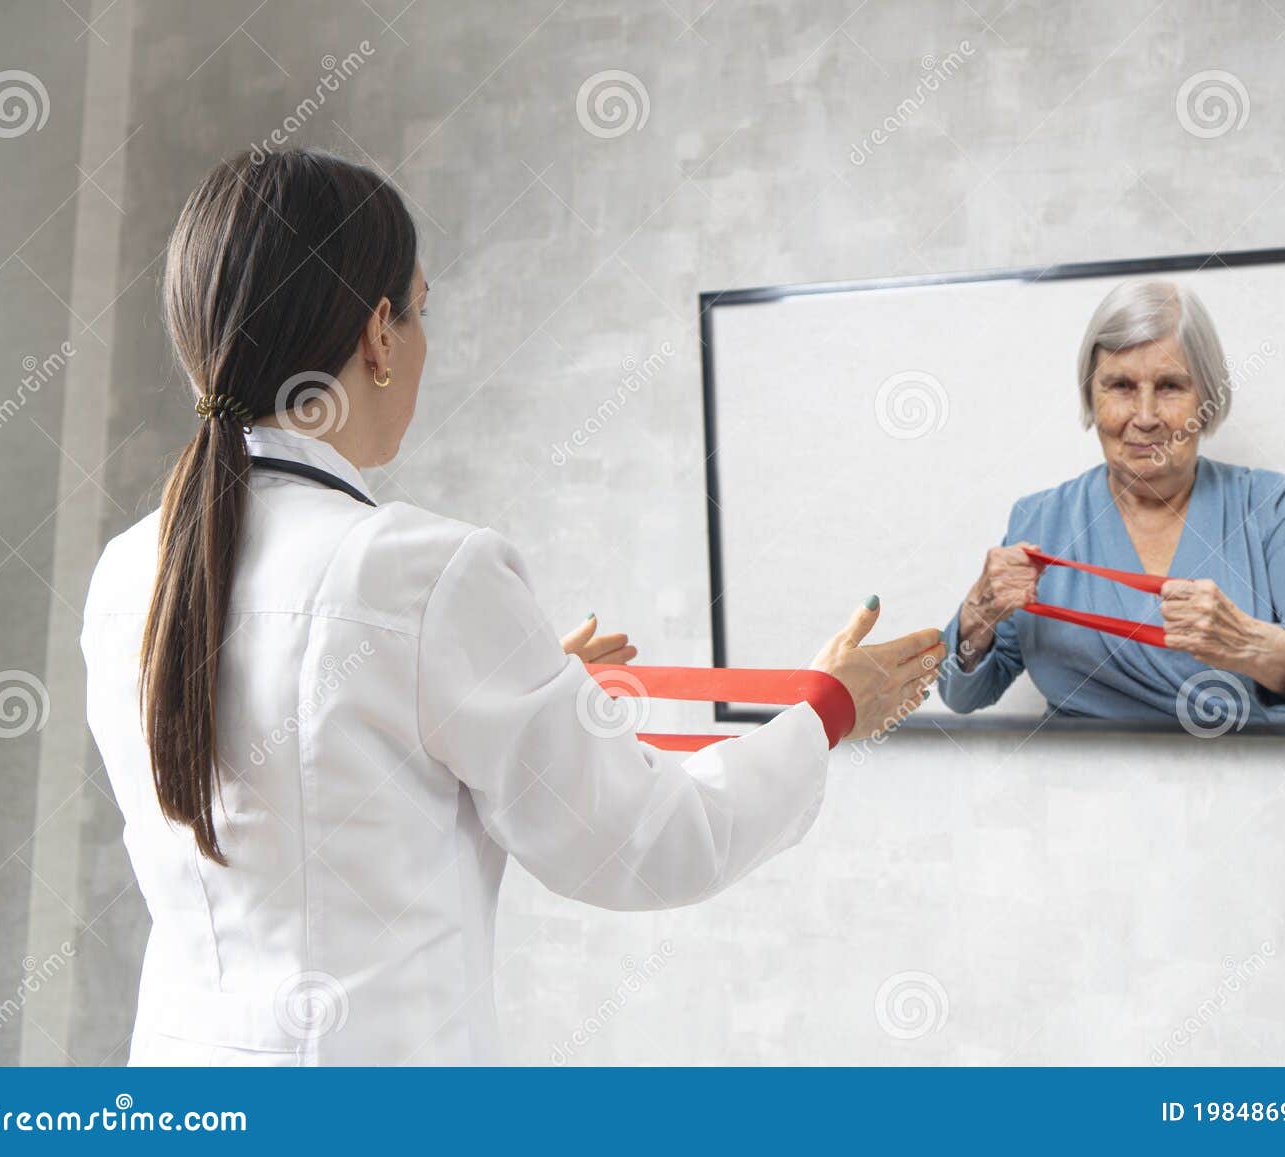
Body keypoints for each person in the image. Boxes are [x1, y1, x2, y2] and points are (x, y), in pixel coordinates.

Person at [79, 147, 945, 1065]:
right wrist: (831, 708)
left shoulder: (127, 572)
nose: (422, 344)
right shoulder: (423, 572)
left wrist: (526, 689)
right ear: (379, 333)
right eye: (421, 310)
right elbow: (647, 844)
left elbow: (314, 776)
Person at [938, 279, 1285, 725]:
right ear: (1091, 397)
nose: (1144, 417)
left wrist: (1247, 644)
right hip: (1077, 787)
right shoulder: (1043, 519)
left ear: (1208, 396)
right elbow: (963, 692)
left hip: (1245, 784)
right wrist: (977, 616)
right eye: (1120, 385)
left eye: (1170, 386)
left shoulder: (1263, 506)